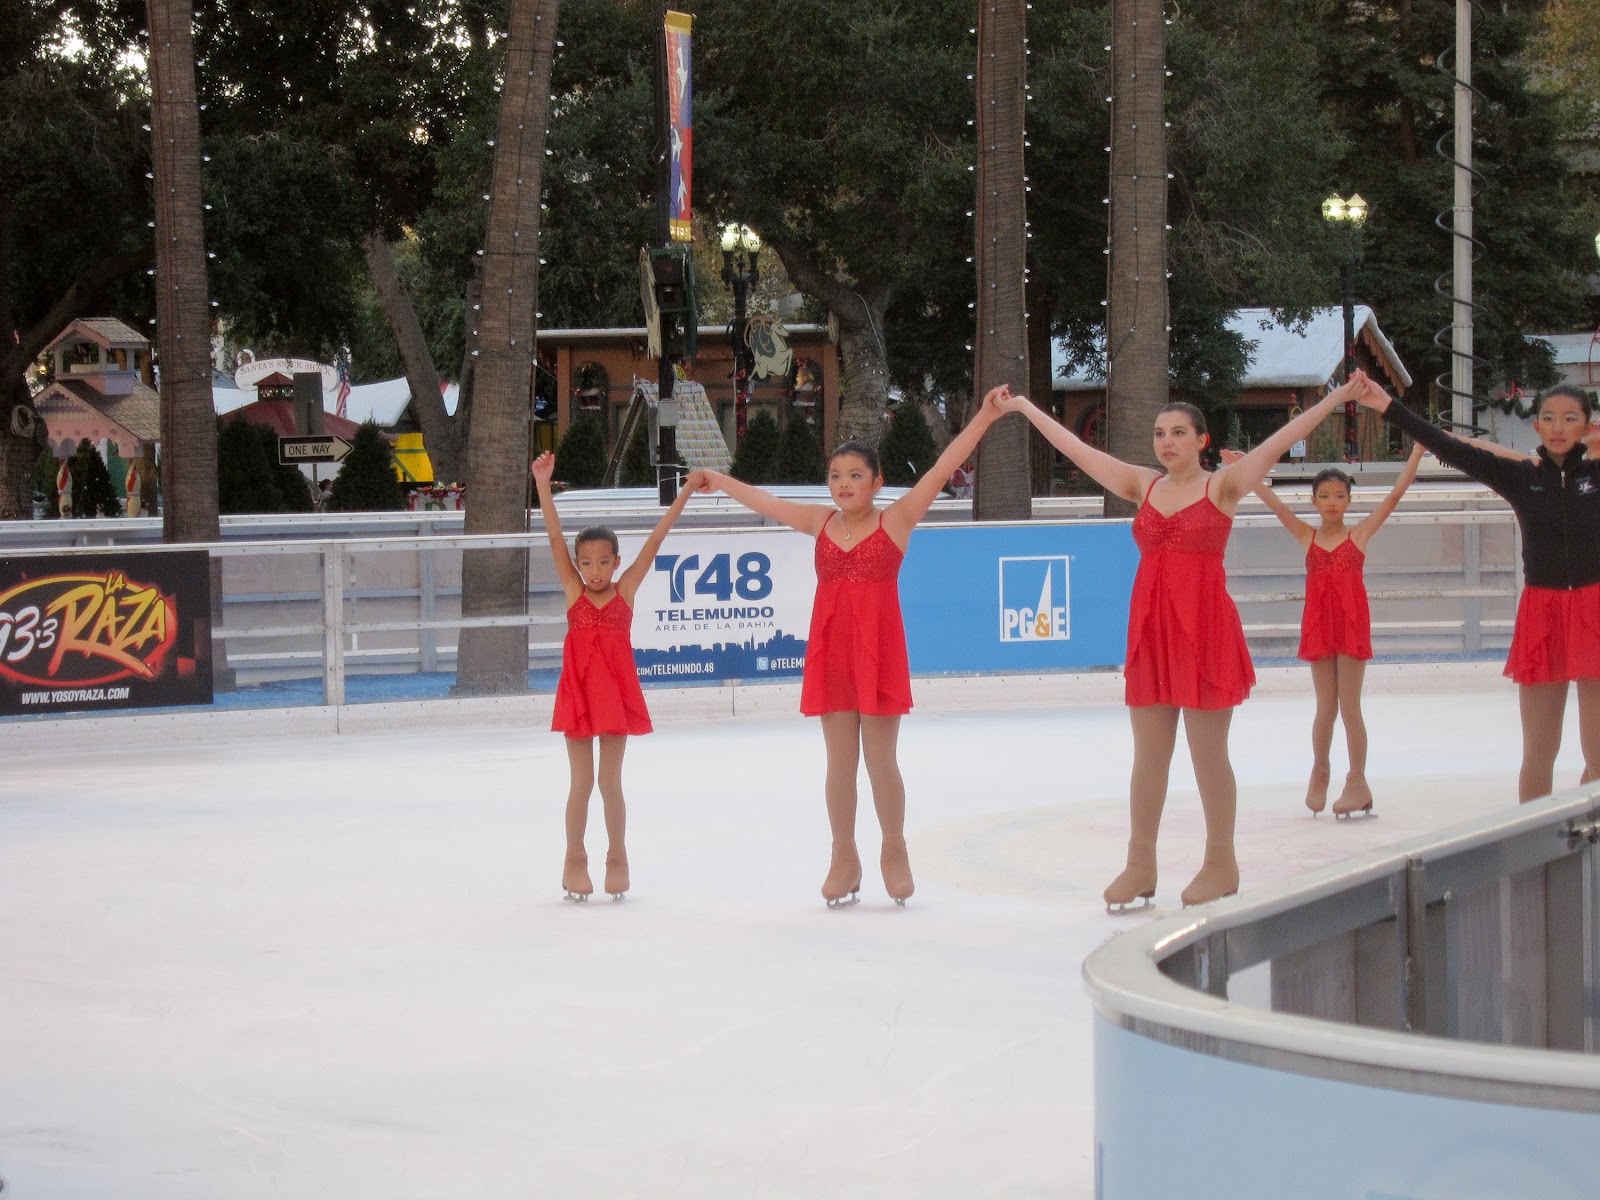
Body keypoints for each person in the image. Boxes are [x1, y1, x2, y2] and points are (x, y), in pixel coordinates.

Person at [991, 377, 1365, 910]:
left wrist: (1333, 399)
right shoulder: (1143, 485)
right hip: (1152, 630)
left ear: (1201, 441)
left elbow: (1280, 440)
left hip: (1204, 630)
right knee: (1149, 757)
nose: (1167, 443)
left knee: (1208, 754)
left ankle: (1221, 861)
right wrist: (1027, 406)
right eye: (1160, 433)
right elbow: (1080, 450)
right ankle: (1140, 863)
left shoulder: (1224, 486)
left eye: (1179, 433)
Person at [694, 392, 1005, 907]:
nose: (844, 484)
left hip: (878, 651)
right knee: (839, 763)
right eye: (836, 475)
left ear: (877, 481)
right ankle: (844, 855)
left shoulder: (897, 520)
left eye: (856, 475)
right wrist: (718, 479)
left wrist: (986, 416)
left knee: (881, 761)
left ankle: (894, 849)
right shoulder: (820, 524)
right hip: (832, 652)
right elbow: (766, 502)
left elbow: (942, 466)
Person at [1353, 379, 1600, 803]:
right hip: (1543, 613)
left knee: (1598, 758)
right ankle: (1533, 858)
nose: (1558, 427)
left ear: (1587, 427)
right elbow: (1451, 449)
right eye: (1548, 417)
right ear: (1537, 427)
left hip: (1595, 610)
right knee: (1539, 753)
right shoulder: (1522, 477)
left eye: (1570, 418)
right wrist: (1386, 405)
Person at [531, 451, 703, 901]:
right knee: (581, 784)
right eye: (585, 564)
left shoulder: (626, 590)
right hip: (578, 694)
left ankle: (617, 857)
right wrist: (543, 485)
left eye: (603, 563)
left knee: (611, 783)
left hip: (614, 696)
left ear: (615, 561)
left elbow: (657, 539)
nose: (593, 572)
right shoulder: (573, 591)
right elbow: (552, 536)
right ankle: (573, 861)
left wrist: (684, 491)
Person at [1229, 443, 1425, 817]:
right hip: (1319, 626)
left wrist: (1417, 451)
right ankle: (1320, 769)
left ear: (1349, 500)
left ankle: (1357, 780)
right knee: (1325, 708)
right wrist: (1247, 467)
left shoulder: (1360, 535)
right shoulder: (1307, 536)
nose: (1332, 502)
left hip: (1351, 626)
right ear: (1314, 501)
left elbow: (1397, 493)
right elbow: (1273, 503)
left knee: (1349, 707)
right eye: (1324, 496)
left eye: (1339, 495)